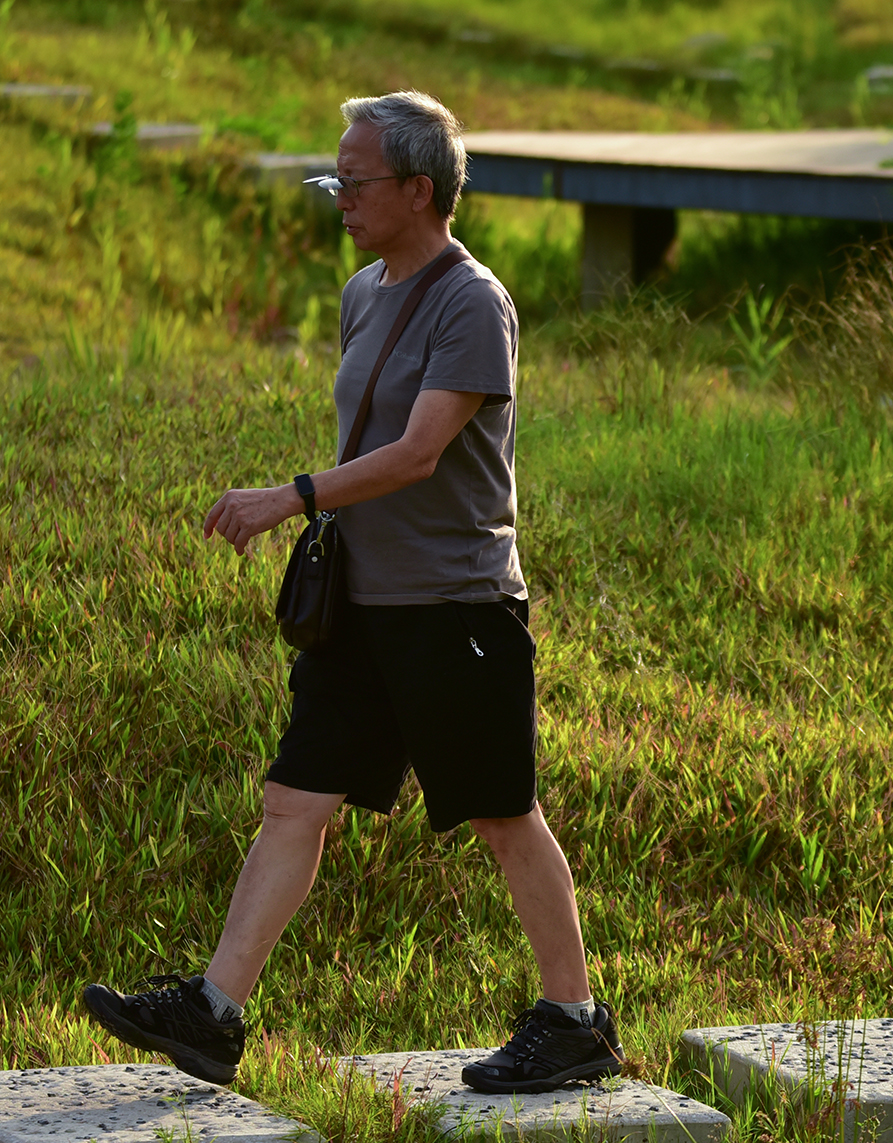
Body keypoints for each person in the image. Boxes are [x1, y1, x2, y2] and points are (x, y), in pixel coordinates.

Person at [80, 91, 620, 1094]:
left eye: (356, 181)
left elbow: (416, 454)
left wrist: (288, 498)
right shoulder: (362, 291)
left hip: (453, 607)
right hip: (361, 606)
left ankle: (574, 1018)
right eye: (336, 179)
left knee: (501, 811)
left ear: (419, 189)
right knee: (295, 801)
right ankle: (214, 1011)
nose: (340, 198)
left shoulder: (472, 301)